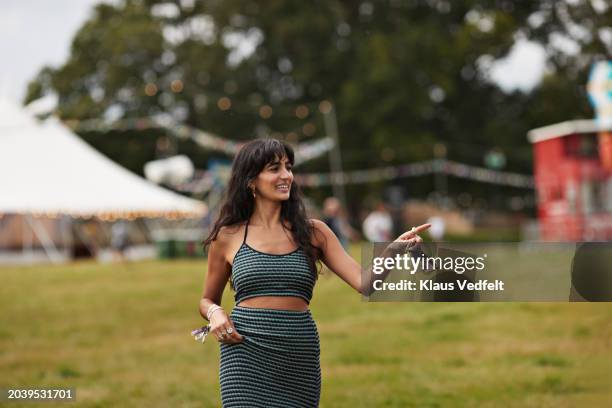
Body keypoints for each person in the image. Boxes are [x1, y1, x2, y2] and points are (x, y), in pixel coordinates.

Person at [199, 139, 429, 407]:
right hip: (245, 354)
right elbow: (206, 300)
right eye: (275, 168)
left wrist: (394, 249)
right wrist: (215, 313)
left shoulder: (314, 232)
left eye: (288, 167)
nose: (286, 175)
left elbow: (364, 282)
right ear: (251, 180)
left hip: (298, 354)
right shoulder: (227, 236)